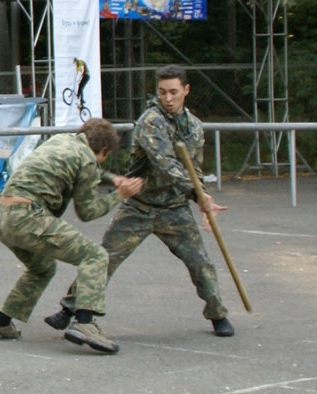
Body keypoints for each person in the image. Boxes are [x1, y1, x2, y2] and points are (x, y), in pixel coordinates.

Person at [45, 64, 236, 338]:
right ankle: (70, 308)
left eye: (173, 92)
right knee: (105, 258)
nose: (167, 98)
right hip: (139, 205)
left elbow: (194, 169)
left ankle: (218, 314)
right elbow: (165, 163)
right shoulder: (150, 121)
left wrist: (201, 197)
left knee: (200, 263)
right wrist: (197, 193)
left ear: (186, 90)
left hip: (174, 209)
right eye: (162, 92)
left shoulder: (194, 127)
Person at [0, 118, 144, 353]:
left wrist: (110, 178)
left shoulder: (60, 140)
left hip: (3, 216)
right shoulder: (88, 160)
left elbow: (86, 167)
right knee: (96, 256)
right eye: (104, 157)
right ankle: (85, 323)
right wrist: (119, 194)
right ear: (104, 150)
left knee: (42, 269)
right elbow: (87, 212)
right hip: (30, 218)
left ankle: (1, 323)